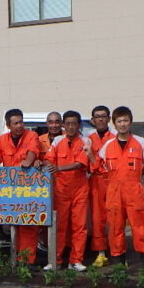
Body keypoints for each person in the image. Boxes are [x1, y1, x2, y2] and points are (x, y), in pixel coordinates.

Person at [98, 106, 144, 267]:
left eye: (125, 120)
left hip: (134, 190)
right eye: (119, 121)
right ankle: (119, 263)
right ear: (114, 123)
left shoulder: (141, 143)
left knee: (140, 227)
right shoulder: (107, 146)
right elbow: (99, 166)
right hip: (114, 191)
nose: (122, 124)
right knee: (115, 228)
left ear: (131, 122)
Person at [0, 108, 44, 264]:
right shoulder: (2, 140)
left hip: (28, 188)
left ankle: (28, 261)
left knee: (29, 224)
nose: (20, 125)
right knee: (14, 223)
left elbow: (33, 150)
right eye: (16, 123)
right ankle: (16, 258)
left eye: (21, 122)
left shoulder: (31, 135)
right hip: (10, 190)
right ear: (8, 125)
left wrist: (29, 161)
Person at [42, 110, 90, 271]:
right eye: (67, 124)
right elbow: (49, 158)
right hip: (61, 189)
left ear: (79, 125)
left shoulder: (86, 141)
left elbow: (80, 163)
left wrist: (58, 168)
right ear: (64, 125)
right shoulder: (57, 141)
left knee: (79, 226)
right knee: (59, 225)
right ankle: (55, 260)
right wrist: (48, 165)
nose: (70, 127)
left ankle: (76, 260)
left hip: (80, 189)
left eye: (74, 124)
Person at [87, 105, 115, 265]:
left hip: (112, 181)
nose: (100, 119)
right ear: (93, 120)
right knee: (97, 218)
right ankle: (101, 253)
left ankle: (118, 252)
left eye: (104, 116)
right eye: (97, 116)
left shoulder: (116, 137)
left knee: (115, 218)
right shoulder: (88, 139)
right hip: (96, 181)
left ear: (109, 119)